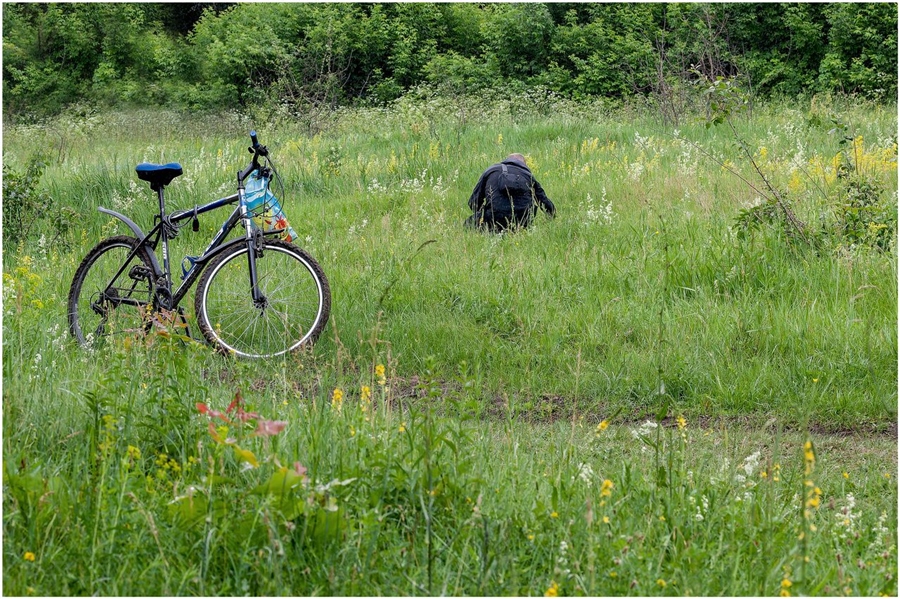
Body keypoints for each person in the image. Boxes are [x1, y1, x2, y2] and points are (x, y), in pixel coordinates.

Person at [464, 153, 556, 232]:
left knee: (468, 223)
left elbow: (473, 202)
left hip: (494, 220)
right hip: (522, 222)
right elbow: (545, 202)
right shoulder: (528, 175)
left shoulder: (491, 171)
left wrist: (483, 214)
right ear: (524, 163)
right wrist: (551, 218)